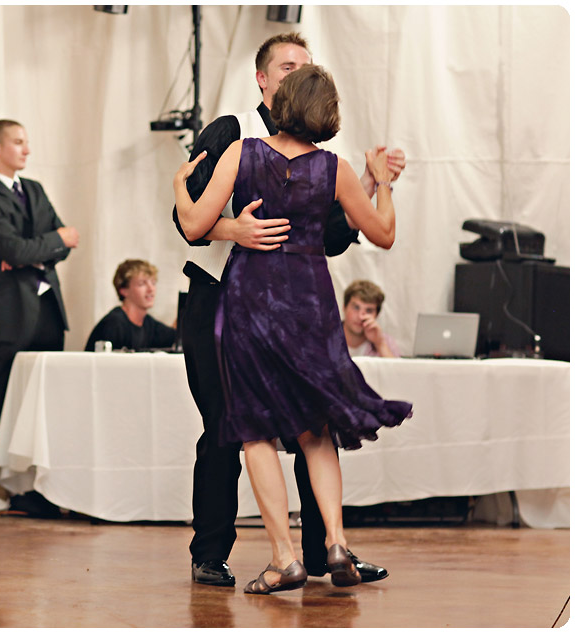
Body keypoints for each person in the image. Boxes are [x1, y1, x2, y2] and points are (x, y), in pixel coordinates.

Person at [172, 32, 405, 588]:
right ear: (263, 78)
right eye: (287, 65)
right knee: (242, 427)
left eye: (304, 65)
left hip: (260, 298)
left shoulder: (280, 158)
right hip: (242, 298)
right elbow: (189, 227)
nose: (297, 72)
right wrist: (235, 229)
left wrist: (366, 182)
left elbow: (331, 234)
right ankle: (217, 552)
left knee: (280, 426)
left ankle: (308, 553)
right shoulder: (233, 133)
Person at [0, 119, 80, 513]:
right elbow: (18, 249)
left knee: (40, 404)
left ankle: (33, 491)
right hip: (7, 314)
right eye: (18, 142)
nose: (26, 149)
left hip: (47, 310)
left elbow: (65, 242)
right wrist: (47, 243)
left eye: (26, 142)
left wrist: (35, 250)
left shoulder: (35, 189)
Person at [85, 259, 176, 351]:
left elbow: (176, 337)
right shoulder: (113, 324)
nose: (151, 289)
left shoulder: (149, 324)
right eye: (142, 284)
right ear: (123, 290)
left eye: (153, 283)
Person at [342, 280, 400, 358]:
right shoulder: (326, 336)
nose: (360, 316)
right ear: (344, 307)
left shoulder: (386, 342)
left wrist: (380, 344)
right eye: (356, 307)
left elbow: (395, 366)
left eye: (369, 310)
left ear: (377, 315)